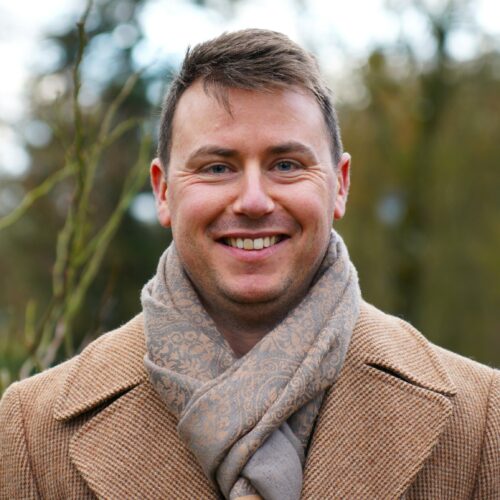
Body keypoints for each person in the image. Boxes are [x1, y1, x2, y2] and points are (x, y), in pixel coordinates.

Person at [0, 29, 498, 500]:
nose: (254, 201)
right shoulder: (31, 430)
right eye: (218, 167)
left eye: (286, 165)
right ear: (163, 191)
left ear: (340, 184)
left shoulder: (480, 420)